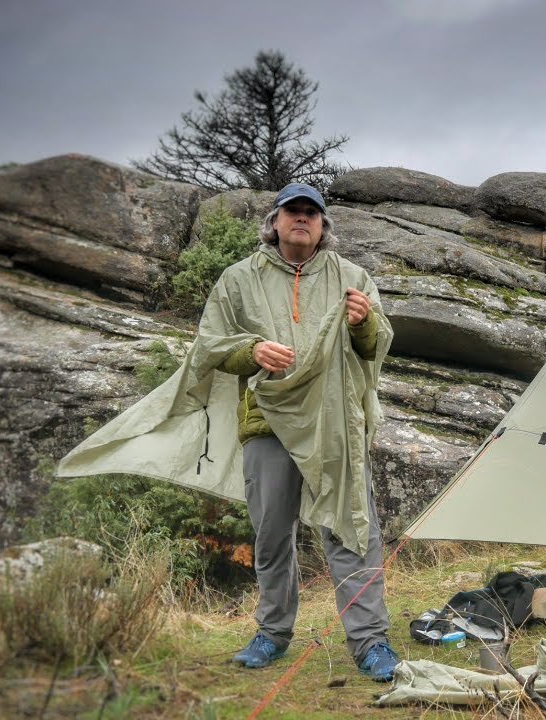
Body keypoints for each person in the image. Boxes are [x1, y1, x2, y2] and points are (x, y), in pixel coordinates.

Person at [206, 182, 399, 679]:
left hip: (334, 423)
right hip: (266, 423)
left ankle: (370, 641)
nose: (302, 218)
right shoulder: (238, 279)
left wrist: (360, 323)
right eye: (292, 210)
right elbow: (210, 345)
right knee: (271, 535)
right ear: (273, 221)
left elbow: (376, 345)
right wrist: (251, 351)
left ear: (323, 226)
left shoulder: (352, 277)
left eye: (311, 213)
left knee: (351, 528)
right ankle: (271, 634)